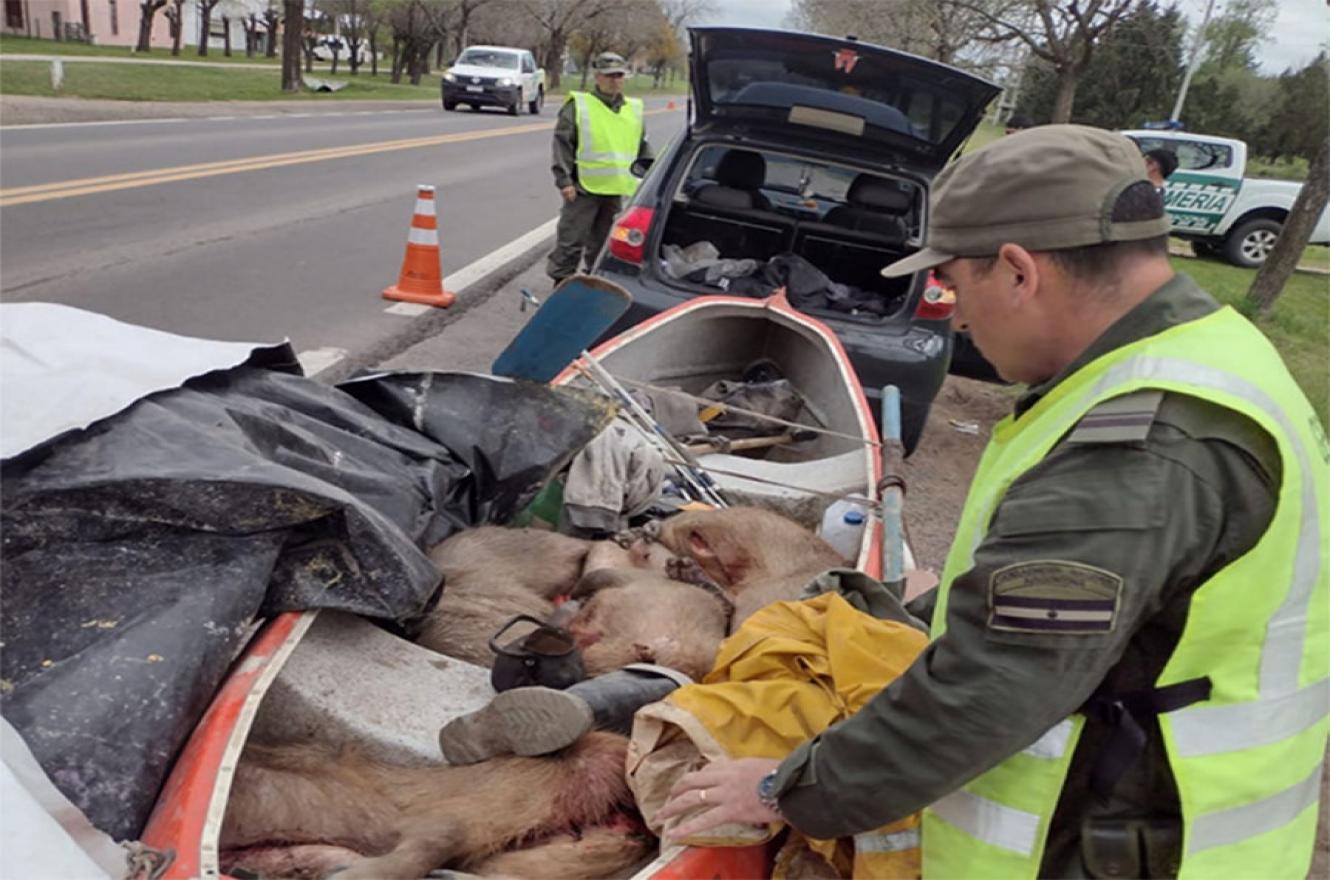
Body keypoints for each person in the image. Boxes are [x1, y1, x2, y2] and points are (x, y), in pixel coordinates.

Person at [656, 125, 1330, 878]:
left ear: (1017, 271)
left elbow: (993, 686)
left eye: (954, 283)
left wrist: (790, 789)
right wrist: (916, 608)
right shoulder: (1213, 351)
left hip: (1111, 842)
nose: (956, 315)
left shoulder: (1139, 443)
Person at [546, 51, 653, 285]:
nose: (615, 80)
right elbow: (563, 145)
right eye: (609, 75)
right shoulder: (580, 106)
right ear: (597, 77)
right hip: (583, 188)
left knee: (607, 243)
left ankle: (595, 282)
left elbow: (642, 147)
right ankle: (561, 283)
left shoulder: (633, 110)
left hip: (616, 190)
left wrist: (650, 178)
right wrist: (564, 181)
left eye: (619, 75)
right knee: (572, 239)